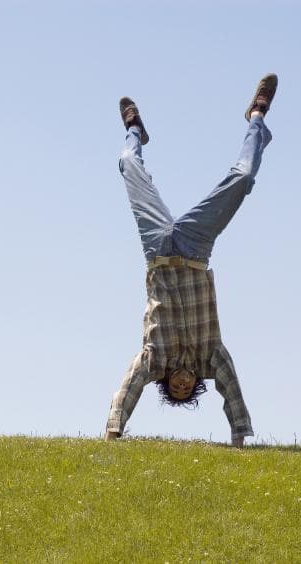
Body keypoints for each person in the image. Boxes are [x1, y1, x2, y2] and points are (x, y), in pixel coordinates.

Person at [104, 74, 278, 447]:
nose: (182, 384)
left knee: (125, 163)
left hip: (158, 250)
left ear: (166, 383)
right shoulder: (210, 356)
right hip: (197, 248)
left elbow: (130, 384)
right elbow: (230, 389)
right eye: (188, 389)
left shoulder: (154, 359)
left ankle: (134, 129)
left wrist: (113, 429)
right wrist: (239, 436)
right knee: (244, 178)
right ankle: (258, 118)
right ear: (196, 383)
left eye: (175, 389)